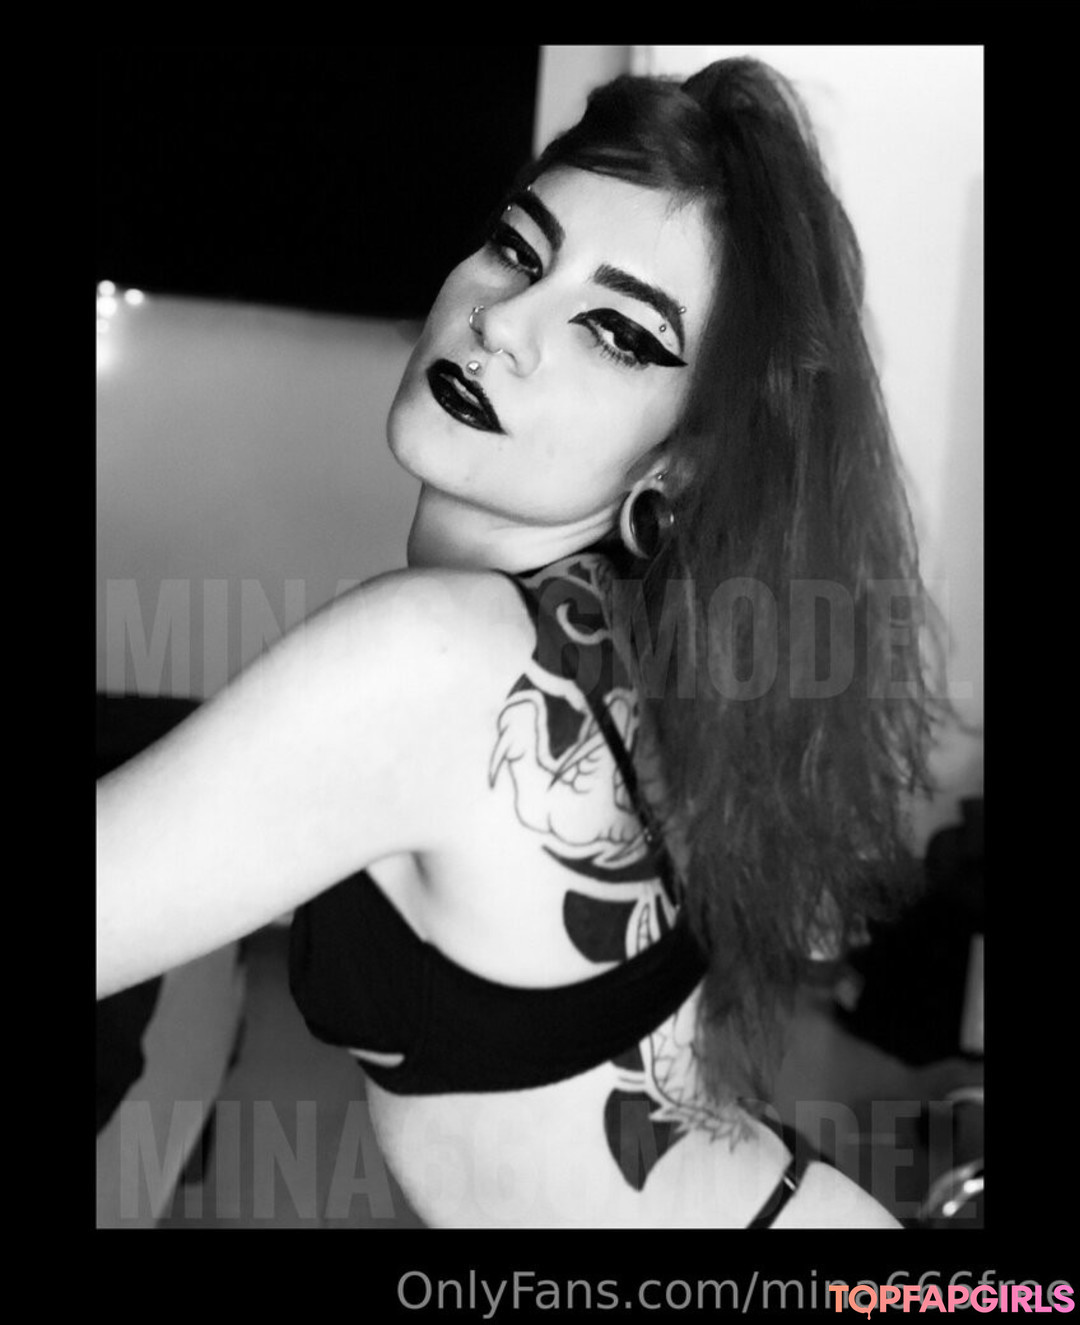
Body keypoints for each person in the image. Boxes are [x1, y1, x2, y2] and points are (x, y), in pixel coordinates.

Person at [97, 56, 941, 1227]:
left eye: (616, 331)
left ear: (683, 461)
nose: (504, 322)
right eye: (517, 249)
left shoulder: (436, 660)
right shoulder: (639, 638)